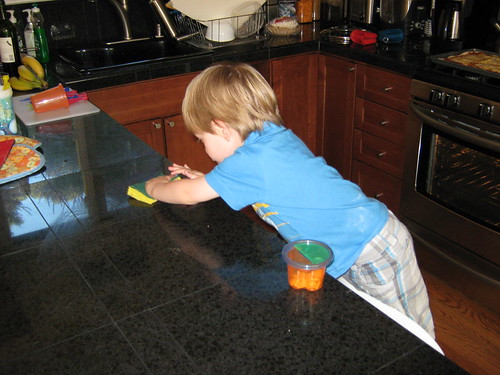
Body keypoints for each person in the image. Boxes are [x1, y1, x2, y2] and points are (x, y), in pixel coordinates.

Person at [145, 62, 435, 338]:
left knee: (414, 336)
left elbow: (186, 194)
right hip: (348, 246)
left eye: (202, 140)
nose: (205, 149)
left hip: (373, 245)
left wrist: (154, 187)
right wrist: (208, 180)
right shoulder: (271, 138)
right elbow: (248, 178)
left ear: (222, 128)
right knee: (377, 327)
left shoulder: (250, 163)